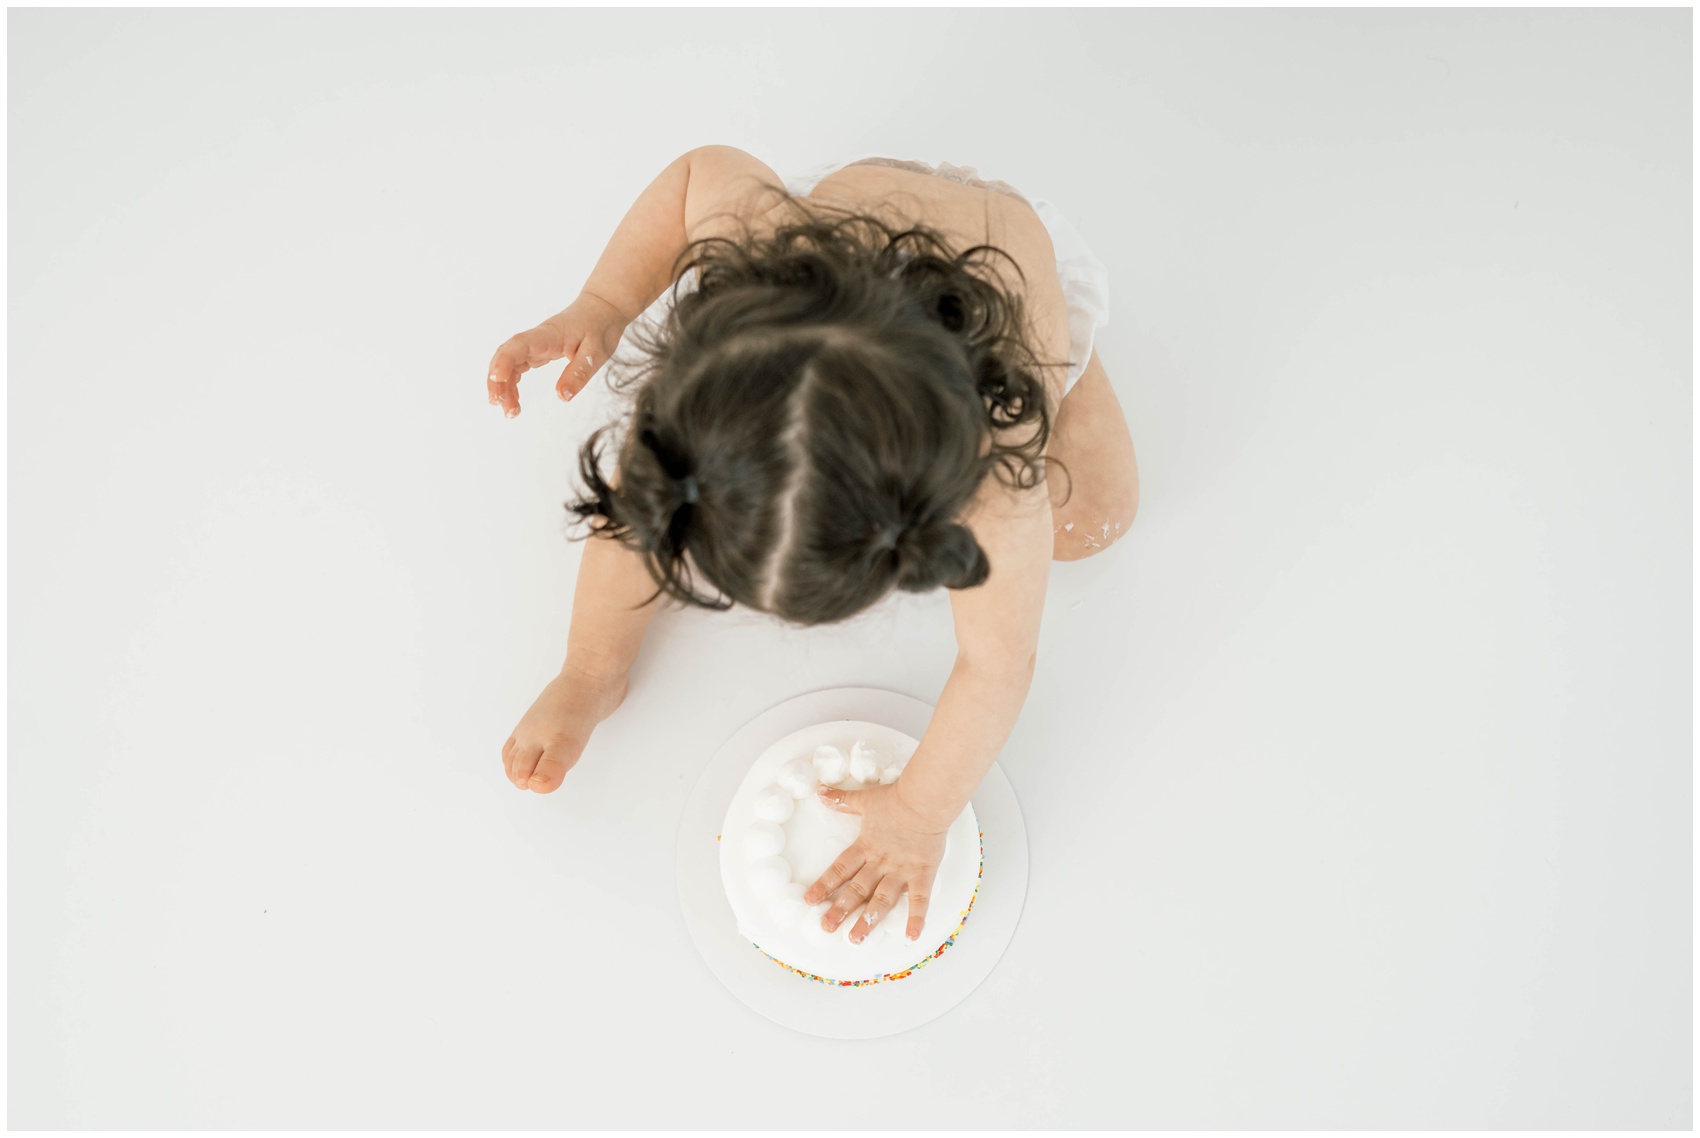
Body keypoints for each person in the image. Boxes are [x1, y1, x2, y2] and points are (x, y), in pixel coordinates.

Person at [483, 146, 1140, 944]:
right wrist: (603, 303)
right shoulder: (757, 237)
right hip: (841, 252)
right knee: (642, 495)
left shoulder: (995, 468)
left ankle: (1075, 345)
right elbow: (697, 171)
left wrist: (919, 812)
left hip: (1015, 274)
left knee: (1095, 520)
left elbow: (997, 665)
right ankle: (593, 674)